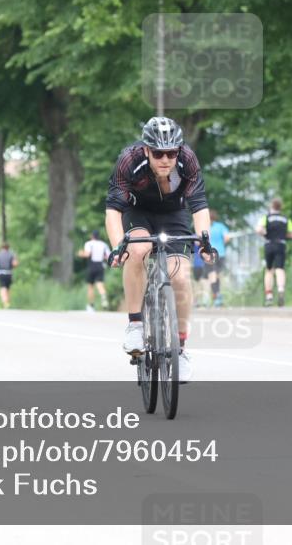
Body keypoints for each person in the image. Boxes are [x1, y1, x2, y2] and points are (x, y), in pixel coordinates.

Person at [106, 116, 216, 384]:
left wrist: (205, 242)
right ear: (146, 150)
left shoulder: (187, 160)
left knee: (181, 277)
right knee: (138, 249)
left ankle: (180, 349)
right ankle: (135, 324)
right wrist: (118, 247)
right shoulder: (129, 160)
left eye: (171, 153)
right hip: (138, 212)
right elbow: (113, 210)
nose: (165, 159)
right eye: (158, 153)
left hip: (173, 214)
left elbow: (199, 206)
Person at [257, 198, 292, 306]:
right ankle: (281, 290)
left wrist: (264, 233)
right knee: (280, 269)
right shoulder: (286, 219)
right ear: (280, 207)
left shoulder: (266, 217)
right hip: (281, 244)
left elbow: (259, 229)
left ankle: (269, 296)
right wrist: (283, 235)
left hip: (269, 244)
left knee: (269, 270)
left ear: (271, 206)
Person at [79, 231, 109, 312]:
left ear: (92, 236)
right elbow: (108, 256)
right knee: (100, 283)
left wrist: (81, 253)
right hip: (101, 265)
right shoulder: (104, 244)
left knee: (90, 286)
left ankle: (91, 305)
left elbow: (87, 254)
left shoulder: (89, 243)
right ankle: (103, 297)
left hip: (92, 265)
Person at [207, 210, 230, 307]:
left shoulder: (205, 227)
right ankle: (218, 294)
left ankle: (216, 294)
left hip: (210, 253)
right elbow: (227, 237)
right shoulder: (220, 226)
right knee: (217, 274)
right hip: (221, 253)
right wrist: (221, 244)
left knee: (212, 274)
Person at [0, 243, 18, 309]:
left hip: (1, 273)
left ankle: (5, 302)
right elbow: (15, 263)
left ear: (1, 247)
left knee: (2, 288)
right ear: (8, 248)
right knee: (8, 288)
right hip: (9, 273)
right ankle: (7, 301)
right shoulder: (11, 254)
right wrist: (12, 267)